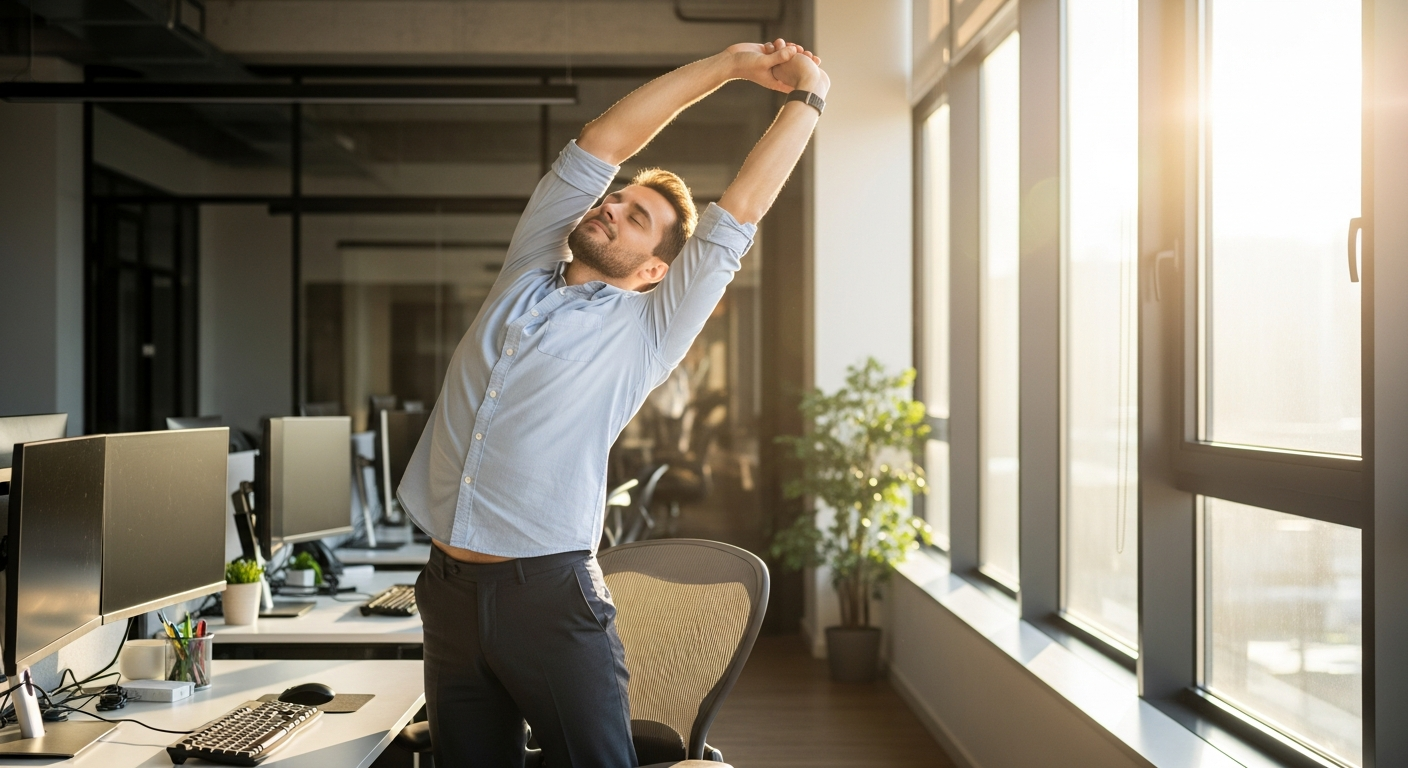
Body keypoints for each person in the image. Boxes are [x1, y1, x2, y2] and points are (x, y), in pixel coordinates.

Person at [398, 38, 830, 768]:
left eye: (635, 219)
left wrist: (807, 98)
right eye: (615, 200)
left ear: (657, 268)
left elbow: (742, 210)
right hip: (445, 589)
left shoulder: (648, 330)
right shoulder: (525, 271)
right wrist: (726, 65)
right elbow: (604, 141)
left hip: (547, 596)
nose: (612, 210)